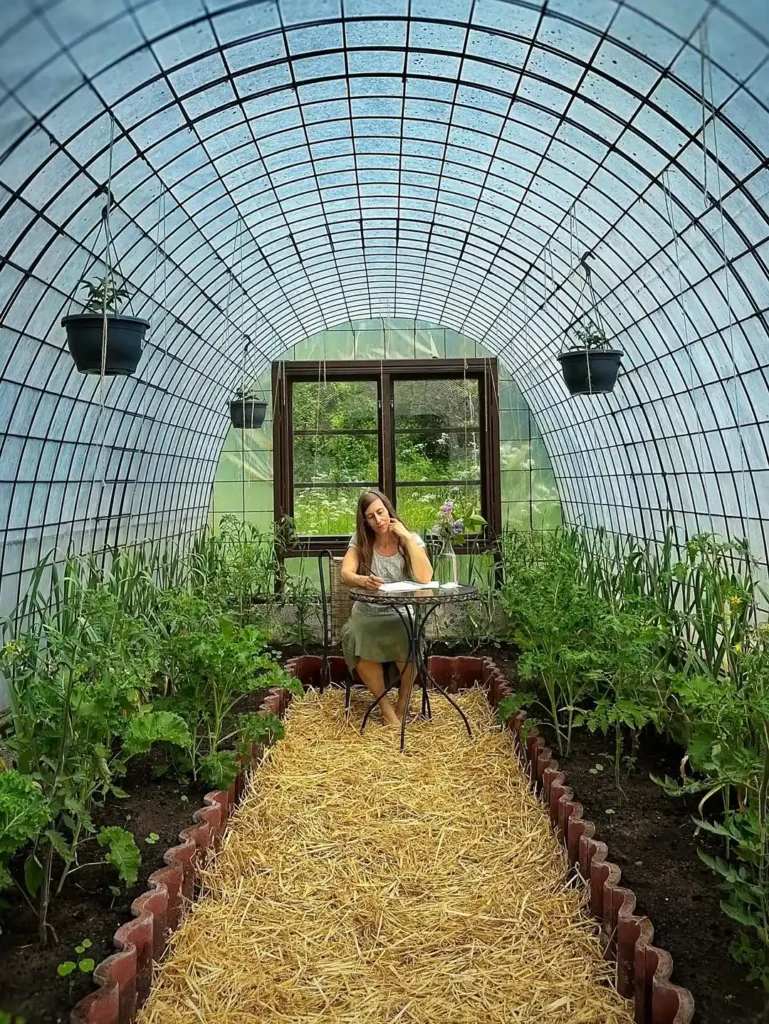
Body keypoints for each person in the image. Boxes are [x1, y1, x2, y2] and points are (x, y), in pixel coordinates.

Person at [340, 490, 433, 726]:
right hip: (367, 613)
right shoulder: (361, 540)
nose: (378, 520)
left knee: (409, 635)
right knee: (358, 633)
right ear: (365, 521)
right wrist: (363, 580)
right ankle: (386, 709)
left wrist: (407, 538)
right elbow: (345, 574)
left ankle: (402, 703)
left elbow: (425, 577)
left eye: (380, 512)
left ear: (388, 510)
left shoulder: (408, 538)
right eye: (370, 517)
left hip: (400, 614)